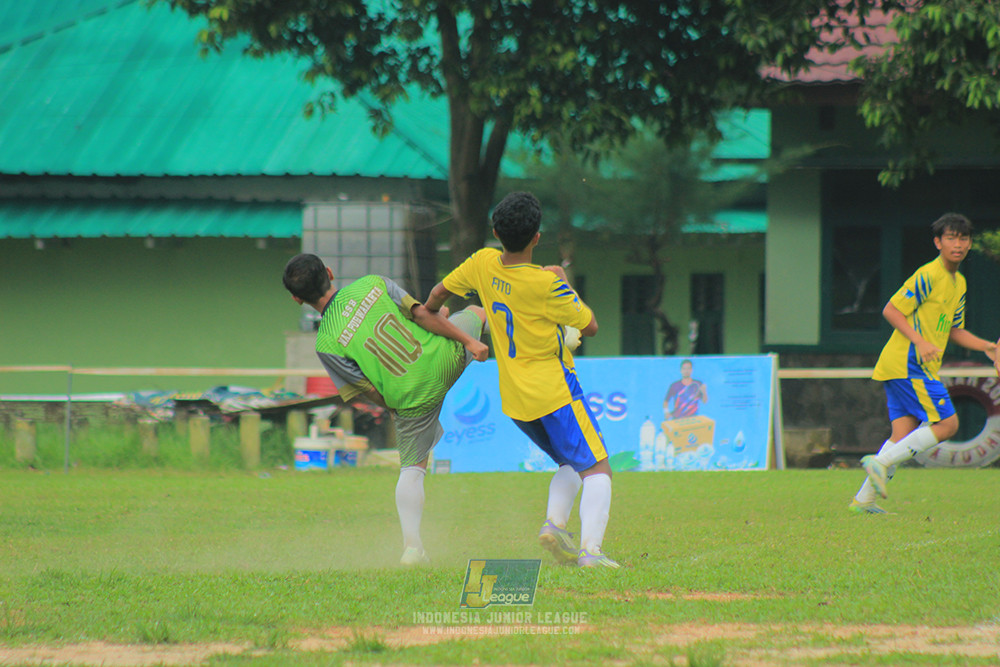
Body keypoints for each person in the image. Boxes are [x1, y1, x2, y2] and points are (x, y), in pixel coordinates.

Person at [426, 191, 618, 568]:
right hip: (555, 392)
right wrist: (563, 280)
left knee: (570, 463)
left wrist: (431, 315)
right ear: (537, 238)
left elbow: (437, 294)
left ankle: (555, 524)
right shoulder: (546, 284)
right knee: (597, 469)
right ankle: (592, 554)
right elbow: (590, 326)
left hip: (515, 398)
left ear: (495, 232)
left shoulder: (482, 263)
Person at [282, 253, 489, 564]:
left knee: (412, 469)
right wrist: (469, 342)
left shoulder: (325, 343)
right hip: (443, 357)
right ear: (330, 272)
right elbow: (422, 316)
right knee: (477, 311)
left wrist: (397, 408)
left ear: (297, 299)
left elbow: (368, 390)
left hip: (411, 400)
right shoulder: (373, 284)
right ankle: (553, 338)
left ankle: (412, 547)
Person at [851, 213, 1000, 514]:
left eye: (963, 238)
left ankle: (863, 501)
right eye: (950, 238)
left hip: (906, 366)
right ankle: (878, 464)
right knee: (948, 424)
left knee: (901, 436)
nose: (957, 244)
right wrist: (919, 340)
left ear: (970, 244)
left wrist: (989, 348)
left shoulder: (958, 283)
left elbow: (954, 330)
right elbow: (891, 310)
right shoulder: (928, 275)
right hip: (909, 364)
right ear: (937, 242)